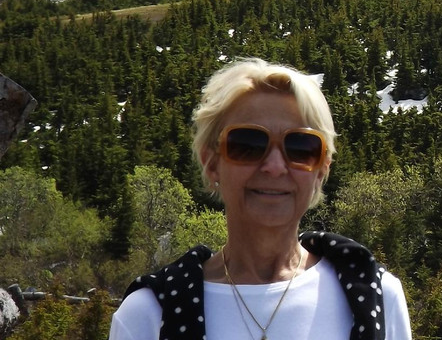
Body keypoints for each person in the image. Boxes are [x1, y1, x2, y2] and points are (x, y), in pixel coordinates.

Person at [109, 58, 411, 340]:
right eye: (247, 144)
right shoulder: (147, 315)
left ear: (322, 169)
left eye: (301, 147)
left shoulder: (380, 298)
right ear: (212, 163)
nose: (275, 167)